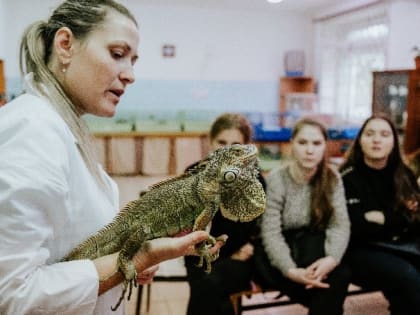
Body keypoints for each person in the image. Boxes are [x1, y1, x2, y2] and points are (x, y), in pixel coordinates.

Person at [0, 1, 224, 314]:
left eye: (133, 60)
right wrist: (137, 258)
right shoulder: (32, 131)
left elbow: (65, 248)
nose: (130, 74)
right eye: (117, 54)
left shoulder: (61, 125)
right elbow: (12, 295)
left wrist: (136, 251)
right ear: (65, 45)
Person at [256, 118, 351, 315]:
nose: (310, 150)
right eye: (302, 142)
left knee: (339, 275)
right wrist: (291, 271)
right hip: (281, 254)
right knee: (327, 293)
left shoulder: (332, 178)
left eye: (316, 143)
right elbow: (271, 233)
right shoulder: (276, 179)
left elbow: (340, 225)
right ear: (291, 144)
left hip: (314, 248)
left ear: (325, 146)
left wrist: (331, 259)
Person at [184, 113, 266, 315]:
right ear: (210, 142)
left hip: (239, 259)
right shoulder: (193, 174)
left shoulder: (255, 181)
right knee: (212, 291)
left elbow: (262, 227)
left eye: (236, 144)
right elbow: (184, 226)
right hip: (198, 254)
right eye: (222, 142)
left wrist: (249, 247)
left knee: (208, 284)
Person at [340, 114, 420, 315]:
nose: (377, 139)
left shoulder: (404, 175)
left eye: (384, 134)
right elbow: (357, 228)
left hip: (401, 246)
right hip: (359, 251)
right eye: (370, 134)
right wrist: (398, 219)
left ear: (394, 142)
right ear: (360, 141)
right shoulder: (347, 178)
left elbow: (414, 219)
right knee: (408, 277)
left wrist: (382, 218)